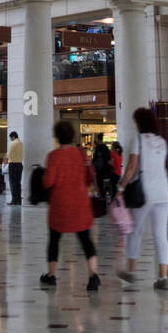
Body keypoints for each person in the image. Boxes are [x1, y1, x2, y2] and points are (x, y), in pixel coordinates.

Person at [40, 121, 100, 291]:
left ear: (56, 136)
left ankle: (51, 275)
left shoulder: (53, 156)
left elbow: (48, 182)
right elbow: (90, 177)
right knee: (86, 239)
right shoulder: (81, 154)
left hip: (60, 204)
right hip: (80, 203)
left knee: (54, 239)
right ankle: (93, 275)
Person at [117, 108, 168, 289]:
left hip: (144, 193)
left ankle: (130, 271)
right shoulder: (162, 142)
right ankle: (163, 277)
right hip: (163, 192)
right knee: (160, 235)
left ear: (139, 123)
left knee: (136, 232)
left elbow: (132, 167)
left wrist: (121, 187)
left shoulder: (138, 140)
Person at [7, 131, 23, 206]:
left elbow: (9, 154)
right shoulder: (21, 143)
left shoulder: (13, 143)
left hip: (13, 164)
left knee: (13, 183)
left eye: (10, 138)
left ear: (13, 137)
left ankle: (14, 200)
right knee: (18, 183)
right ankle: (19, 200)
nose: (10, 139)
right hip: (20, 164)